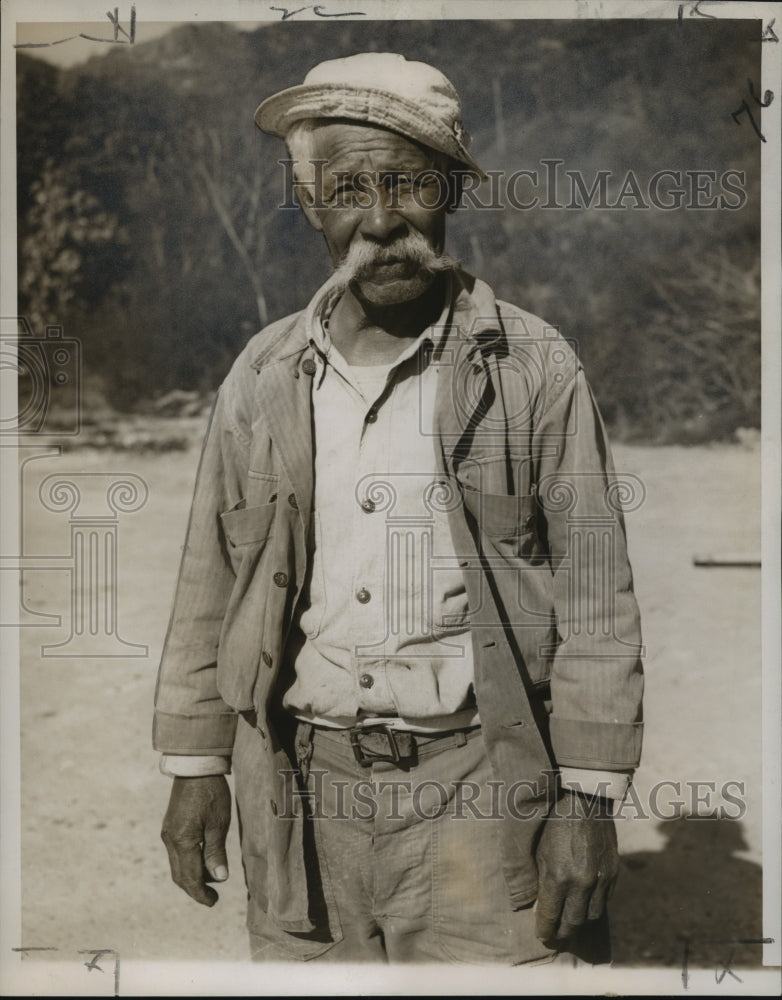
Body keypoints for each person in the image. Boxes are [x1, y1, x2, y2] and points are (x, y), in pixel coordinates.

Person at [154, 52, 644, 965]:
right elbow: (209, 582)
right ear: (310, 204)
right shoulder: (263, 375)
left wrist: (587, 802)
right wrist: (196, 767)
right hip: (301, 797)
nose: (381, 220)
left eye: (411, 183)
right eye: (346, 189)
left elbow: (597, 600)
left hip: (484, 795)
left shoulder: (534, 369)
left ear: (451, 191)